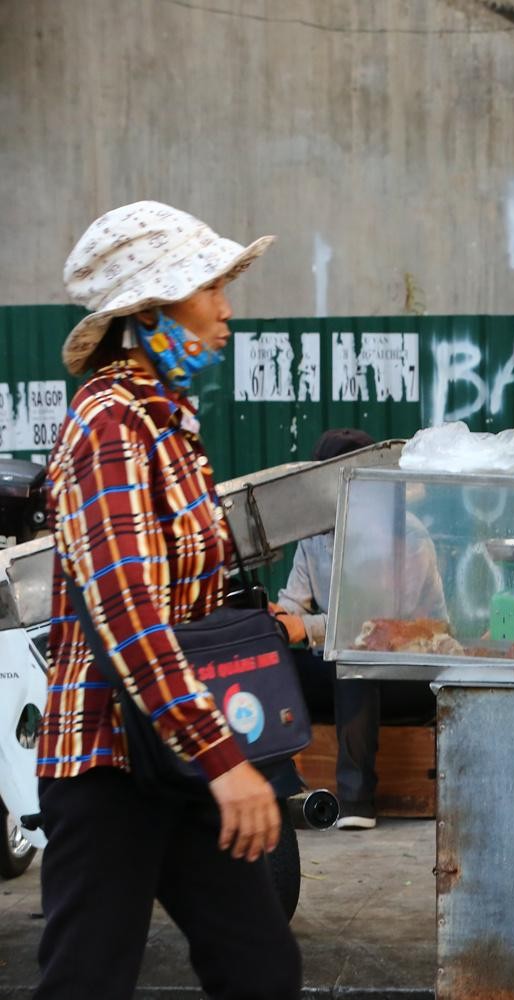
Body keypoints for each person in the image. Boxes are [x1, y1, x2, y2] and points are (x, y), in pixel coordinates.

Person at [36, 201, 300, 997]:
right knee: (88, 978)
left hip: (175, 750)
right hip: (109, 763)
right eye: (209, 288)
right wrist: (225, 762)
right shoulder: (110, 426)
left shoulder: (167, 422)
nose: (226, 309)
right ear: (151, 312)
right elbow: (130, 618)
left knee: (260, 967)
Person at [270, 428, 447, 830]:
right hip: (340, 672)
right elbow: (293, 603)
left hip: (408, 675)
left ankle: (356, 801)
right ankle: (277, 790)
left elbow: (373, 629)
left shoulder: (407, 535)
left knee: (353, 662)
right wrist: (274, 618)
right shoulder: (314, 533)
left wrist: (305, 628)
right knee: (272, 658)